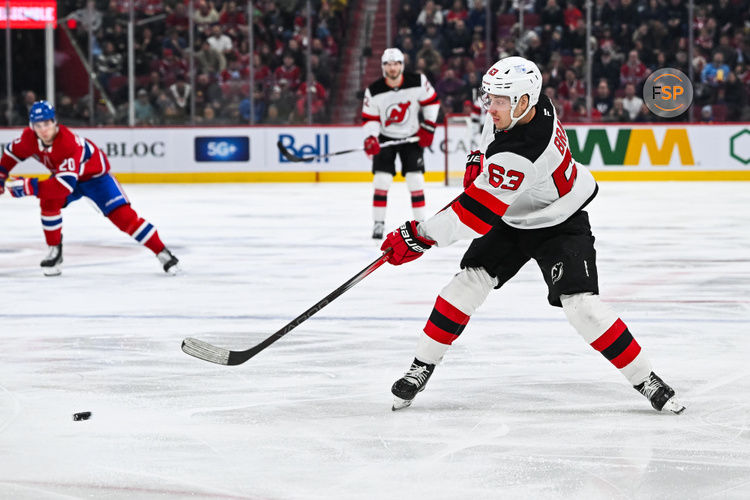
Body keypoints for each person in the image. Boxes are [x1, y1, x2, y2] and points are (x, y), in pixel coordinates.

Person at [380, 56, 685, 415]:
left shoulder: (522, 152)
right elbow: (491, 130)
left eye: (498, 100)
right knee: (465, 285)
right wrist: (479, 156)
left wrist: (419, 234)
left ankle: (645, 377)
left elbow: (473, 217)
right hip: (513, 215)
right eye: (488, 96)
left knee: (581, 307)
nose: (489, 107)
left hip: (559, 221)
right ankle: (422, 366)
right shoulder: (530, 104)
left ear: (524, 101)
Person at [0, 101, 179, 276]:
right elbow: (10, 154)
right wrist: (1, 175)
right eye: (38, 125)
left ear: (55, 122)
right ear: (32, 126)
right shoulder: (28, 138)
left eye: (47, 123)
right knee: (48, 201)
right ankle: (55, 251)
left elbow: (63, 187)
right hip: (68, 177)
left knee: (124, 218)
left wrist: (28, 186)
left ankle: (162, 252)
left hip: (96, 179)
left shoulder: (68, 143)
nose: (43, 130)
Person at [361, 48, 440, 239]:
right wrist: (371, 137)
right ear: (383, 67)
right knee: (381, 180)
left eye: (396, 63)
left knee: (415, 180)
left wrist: (428, 126)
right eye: (388, 64)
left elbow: (432, 102)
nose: (392, 67)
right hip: (386, 139)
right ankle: (378, 224)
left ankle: (421, 224)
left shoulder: (418, 81)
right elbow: (370, 118)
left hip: (411, 138)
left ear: (402, 65)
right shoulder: (373, 90)